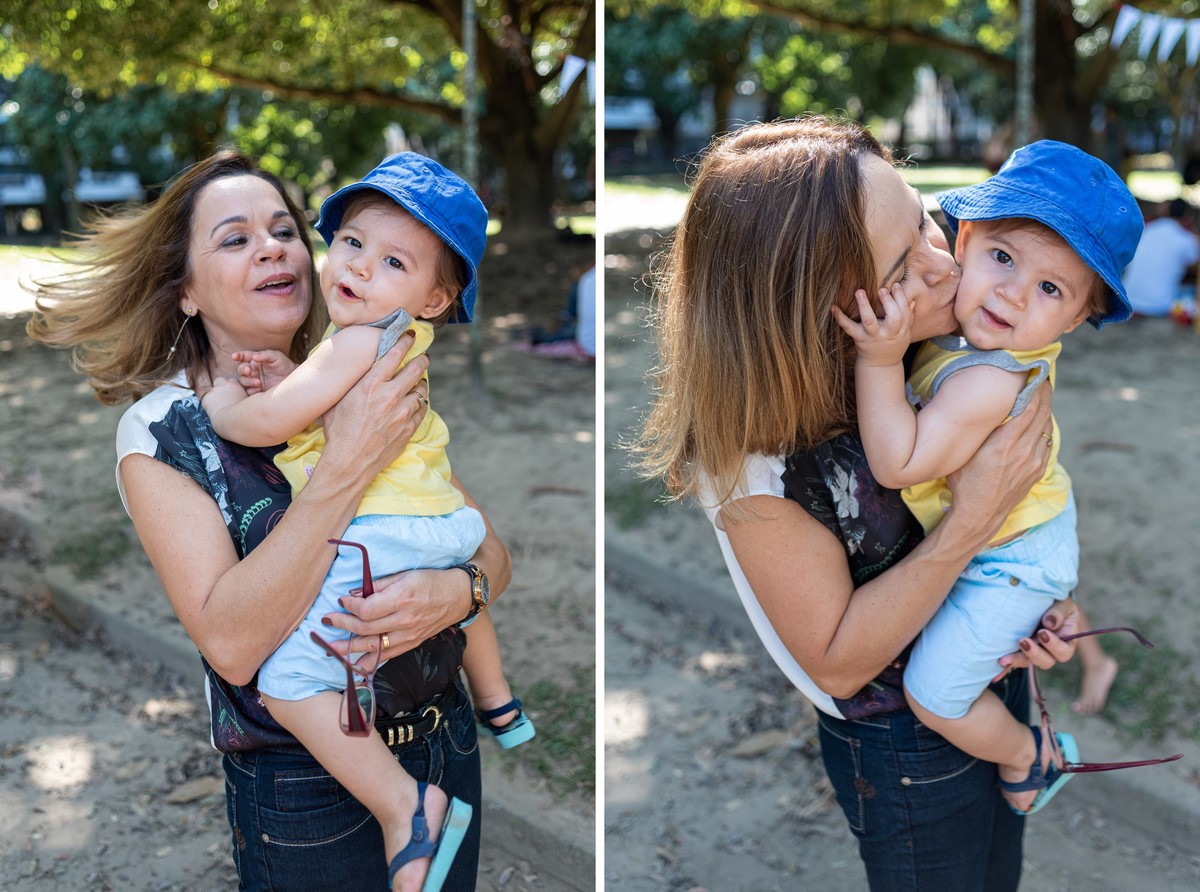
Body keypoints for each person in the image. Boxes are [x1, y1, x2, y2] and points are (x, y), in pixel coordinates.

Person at [25, 149, 511, 891]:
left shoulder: (364, 369)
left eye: (284, 229)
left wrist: (458, 594)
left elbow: (489, 552)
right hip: (307, 790)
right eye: (234, 238)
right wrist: (345, 465)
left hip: (445, 746)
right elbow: (231, 644)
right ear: (186, 291)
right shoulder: (166, 433)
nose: (273, 247)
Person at [635, 116, 1081, 891]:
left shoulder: (933, 349)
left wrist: (1035, 601)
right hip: (907, 746)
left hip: (983, 669)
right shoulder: (752, 464)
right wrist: (971, 526)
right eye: (904, 267)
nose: (947, 266)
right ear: (813, 312)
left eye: (926, 220)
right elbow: (840, 663)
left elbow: (1022, 494)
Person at [199, 152, 533, 890]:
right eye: (350, 242)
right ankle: (498, 703)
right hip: (435, 523)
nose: (357, 265)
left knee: (289, 682)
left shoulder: (355, 342)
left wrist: (227, 404)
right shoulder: (395, 341)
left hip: (385, 534)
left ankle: (406, 809)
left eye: (391, 261)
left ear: (437, 297)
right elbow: (320, 409)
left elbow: (269, 423)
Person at [832, 140, 1142, 815]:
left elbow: (898, 462)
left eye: (1050, 289)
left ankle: (1030, 757)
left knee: (936, 692)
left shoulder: (987, 380)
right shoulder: (969, 339)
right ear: (964, 239)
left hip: (1013, 558)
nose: (1011, 293)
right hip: (1023, 535)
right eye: (1003, 257)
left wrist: (880, 359)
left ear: (1079, 317)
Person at [1122, 197, 1199, 318]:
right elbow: (1195, 266)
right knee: (1192, 291)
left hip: (1128, 299)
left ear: (1166, 211)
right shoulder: (1186, 239)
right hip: (1159, 306)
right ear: (1188, 215)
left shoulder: (1147, 229)